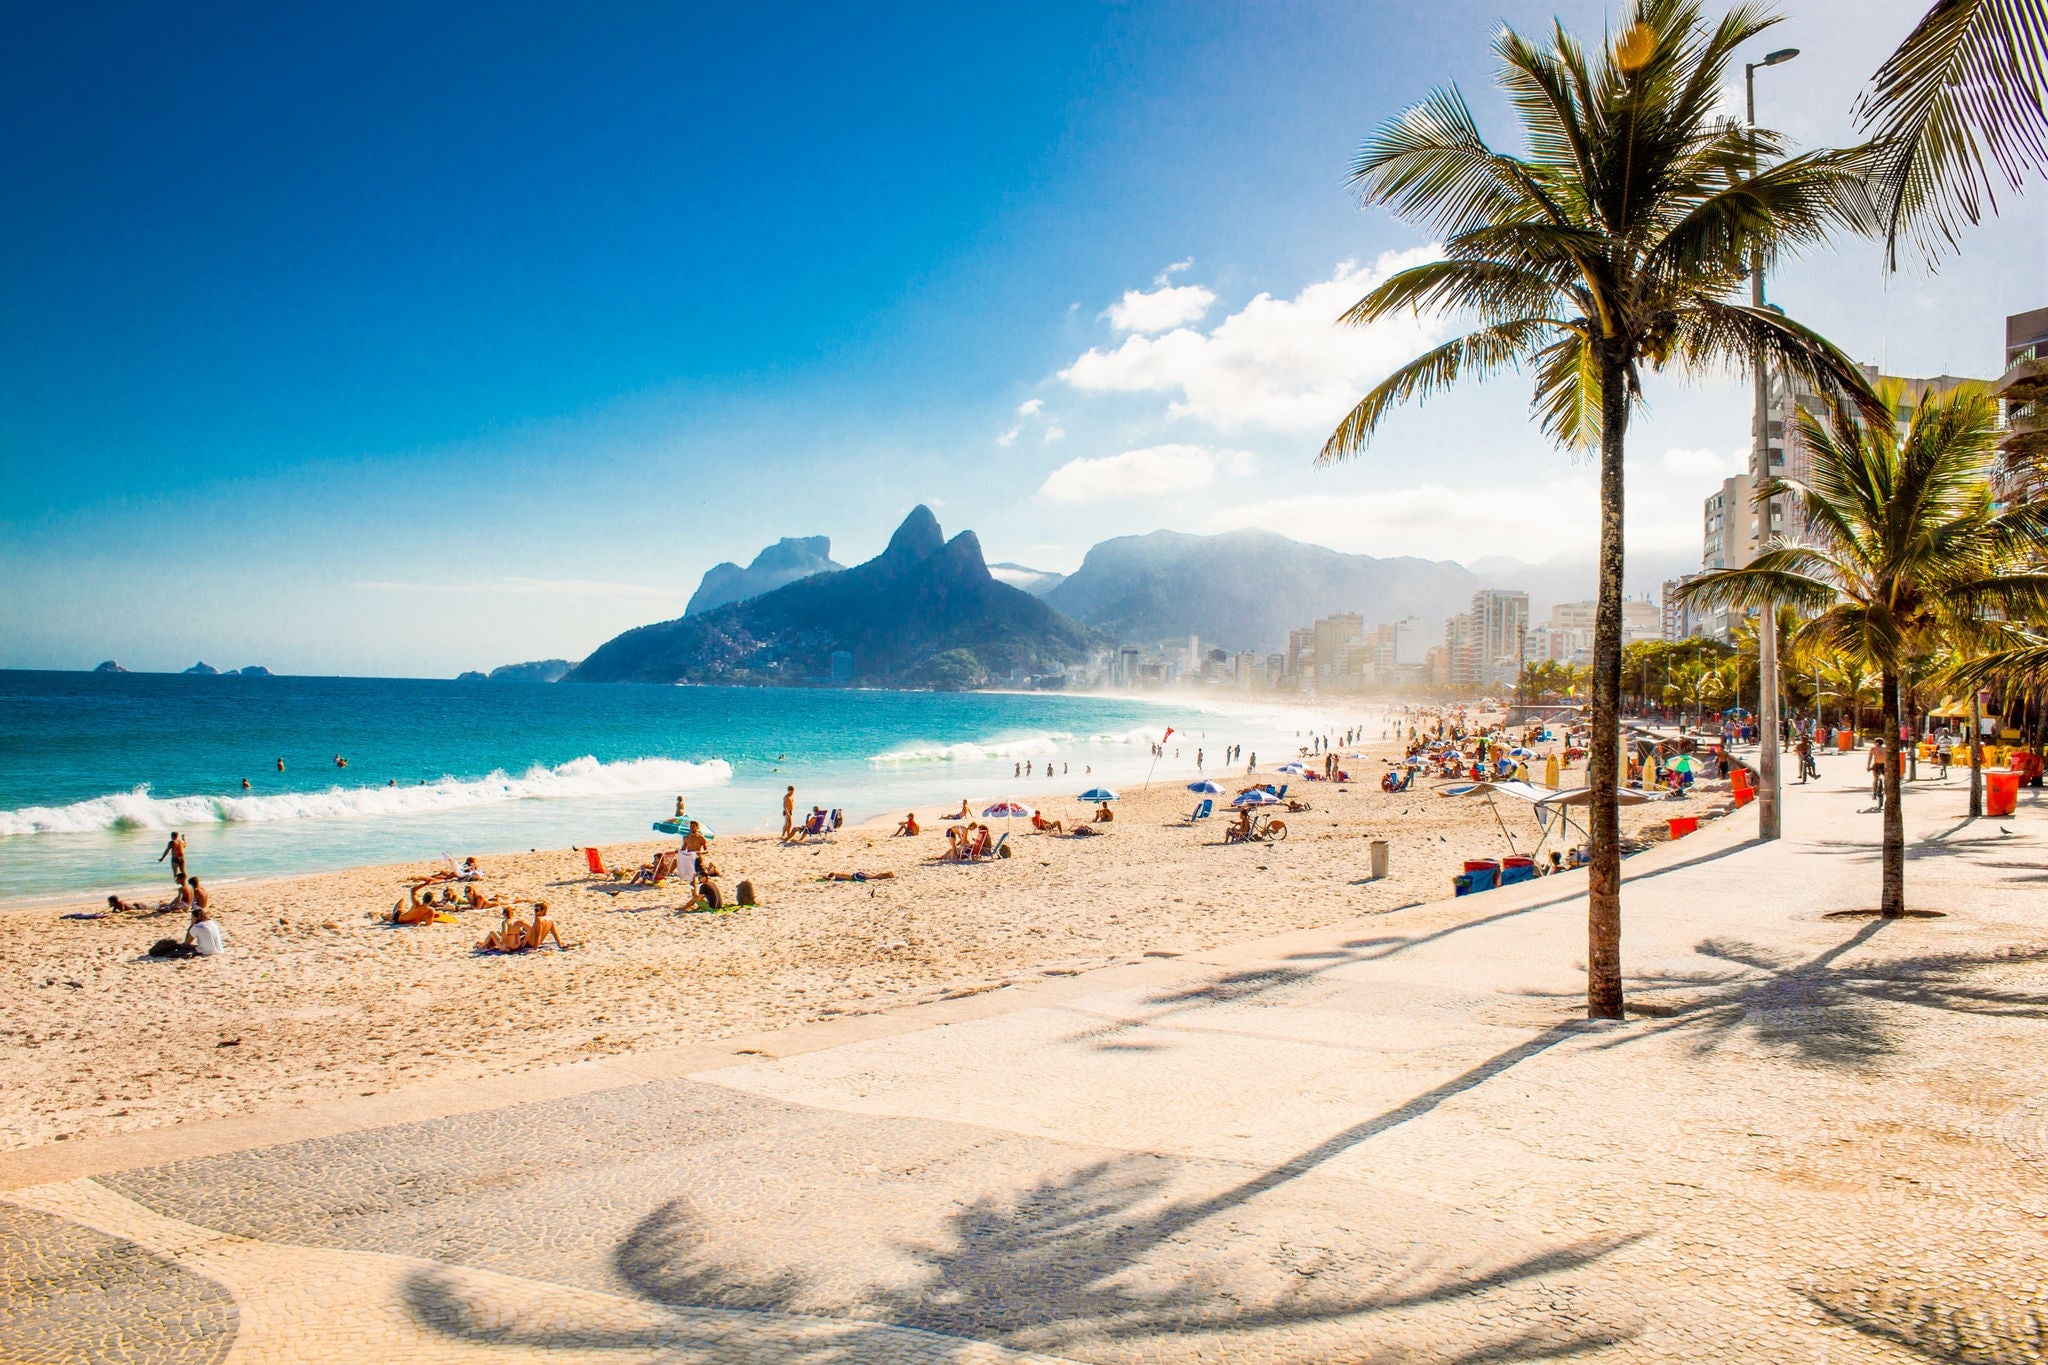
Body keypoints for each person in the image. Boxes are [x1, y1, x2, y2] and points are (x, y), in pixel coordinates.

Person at [1869, 739, 1888, 808]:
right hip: (1879, 765)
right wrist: (1868, 766)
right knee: (1877, 779)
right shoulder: (1873, 749)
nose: (1874, 743)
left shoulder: (1884, 749)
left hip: (1881, 765)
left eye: (1875, 742)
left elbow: (1870, 758)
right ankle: (1875, 792)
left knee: (1881, 779)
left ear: (1878, 743)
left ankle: (1878, 792)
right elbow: (1870, 758)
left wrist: (1868, 766)